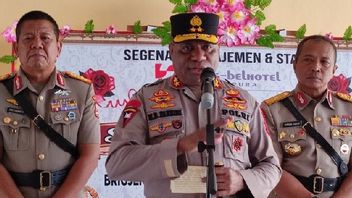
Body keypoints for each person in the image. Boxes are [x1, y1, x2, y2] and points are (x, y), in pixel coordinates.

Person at [106, 12, 281, 198]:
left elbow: (271, 166)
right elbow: (117, 164)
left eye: (207, 47)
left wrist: (242, 180)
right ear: (171, 51)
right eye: (187, 48)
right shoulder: (146, 99)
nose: (198, 56)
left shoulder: (244, 101)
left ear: (218, 50)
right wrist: (180, 146)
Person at [0, 10, 100, 198]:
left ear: (59, 48)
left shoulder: (81, 91)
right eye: (28, 38)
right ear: (16, 49)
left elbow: (90, 155)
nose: (37, 44)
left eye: (45, 38)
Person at [261, 35, 352, 198]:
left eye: (324, 62)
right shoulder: (272, 110)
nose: (316, 67)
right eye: (308, 60)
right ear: (294, 64)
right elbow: (270, 166)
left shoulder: (349, 108)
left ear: (334, 70)